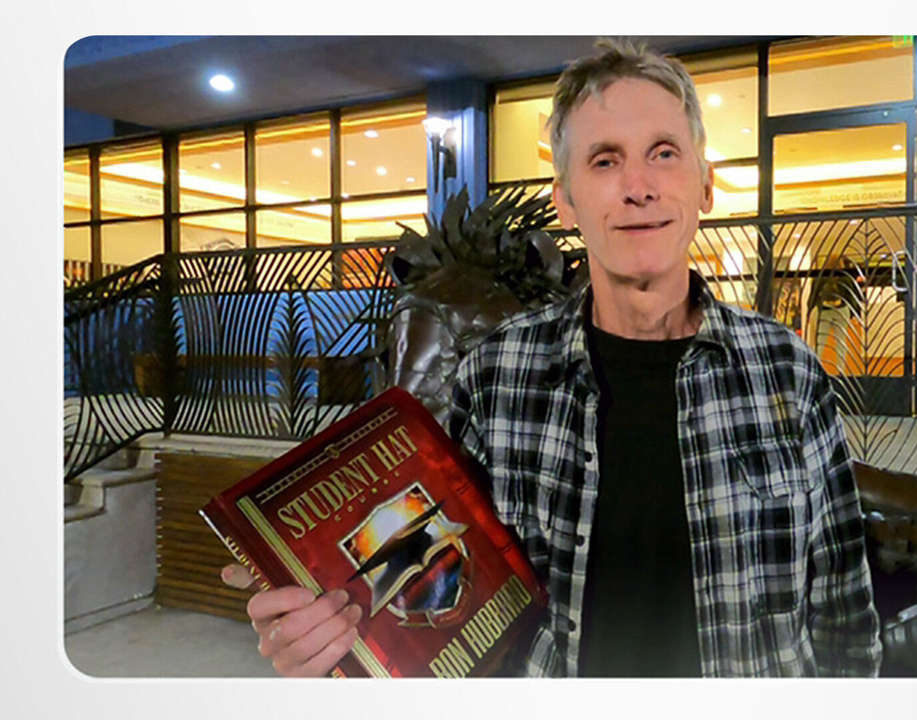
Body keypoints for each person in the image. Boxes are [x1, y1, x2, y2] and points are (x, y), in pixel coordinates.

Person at [223, 38, 881, 678]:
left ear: (705, 184)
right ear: (566, 200)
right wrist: (331, 624)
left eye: (663, 153)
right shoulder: (496, 376)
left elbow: (845, 618)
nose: (639, 186)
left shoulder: (787, 372)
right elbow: (438, 579)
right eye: (605, 161)